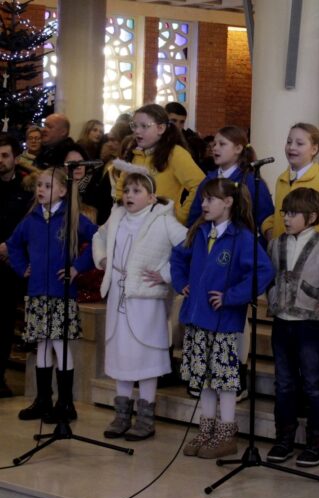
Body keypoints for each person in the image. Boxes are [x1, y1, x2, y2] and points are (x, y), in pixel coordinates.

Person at [171, 178, 273, 459]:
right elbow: (177, 257)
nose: (203, 204)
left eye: (210, 199)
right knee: (203, 379)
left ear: (228, 202)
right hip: (197, 319)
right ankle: (206, 429)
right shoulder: (199, 231)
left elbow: (263, 271)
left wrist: (232, 296)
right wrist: (181, 283)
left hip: (223, 323)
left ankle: (227, 433)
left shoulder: (242, 238)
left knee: (224, 380)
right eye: (203, 199)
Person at [92, 169, 187, 440]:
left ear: (151, 197)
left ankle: (146, 418)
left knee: (146, 355)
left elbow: (187, 245)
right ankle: (121, 415)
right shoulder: (117, 217)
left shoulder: (163, 220)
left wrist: (166, 273)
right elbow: (99, 237)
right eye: (126, 191)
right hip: (119, 296)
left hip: (146, 301)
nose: (129, 196)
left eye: (137, 191)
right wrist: (103, 259)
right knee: (121, 353)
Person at [186, 125, 275, 401]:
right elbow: (194, 217)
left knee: (235, 326)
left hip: (236, 260)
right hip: (209, 257)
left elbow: (264, 219)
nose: (215, 148)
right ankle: (203, 375)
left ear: (238, 148)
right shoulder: (209, 179)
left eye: (222, 144)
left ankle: (236, 375)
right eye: (214, 143)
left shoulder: (251, 180)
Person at [265, 187, 319, 467]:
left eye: (293, 214)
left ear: (312, 217)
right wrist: (271, 297)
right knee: (284, 383)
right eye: (285, 213)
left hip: (309, 326)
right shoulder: (276, 244)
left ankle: (317, 442)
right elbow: (269, 276)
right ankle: (284, 438)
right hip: (281, 323)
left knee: (313, 384)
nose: (287, 219)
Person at [5, 167, 97, 423]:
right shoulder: (31, 219)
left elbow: (98, 239)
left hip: (60, 294)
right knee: (43, 344)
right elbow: (13, 244)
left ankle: (65, 403)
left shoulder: (72, 218)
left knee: (60, 344)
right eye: (39, 185)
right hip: (37, 293)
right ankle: (43, 399)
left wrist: (77, 267)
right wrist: (22, 267)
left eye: (47, 186)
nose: (41, 190)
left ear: (63, 191)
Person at [114, 103, 205, 224]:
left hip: (161, 225)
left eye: (144, 126)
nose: (137, 131)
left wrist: (181, 216)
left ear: (161, 129)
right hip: (133, 223)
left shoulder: (175, 153)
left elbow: (200, 184)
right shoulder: (135, 153)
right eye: (134, 126)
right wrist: (122, 210)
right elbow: (121, 186)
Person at [0, 134, 33, 397]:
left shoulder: (26, 188)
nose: (0, 161)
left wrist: (9, 247)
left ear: (15, 158)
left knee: (4, 324)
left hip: (11, 266)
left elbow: (28, 224)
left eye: (4, 155)